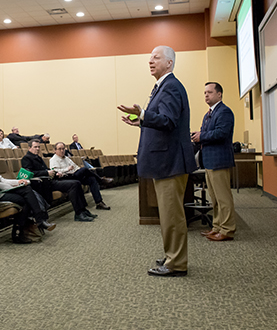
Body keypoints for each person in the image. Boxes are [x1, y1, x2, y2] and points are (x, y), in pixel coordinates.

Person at [118, 45, 196, 277]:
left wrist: (143, 114)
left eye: (156, 58)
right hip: (167, 161)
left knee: (172, 215)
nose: (150, 61)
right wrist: (141, 121)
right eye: (149, 58)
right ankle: (173, 255)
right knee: (168, 213)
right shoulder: (163, 86)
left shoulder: (170, 86)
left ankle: (176, 263)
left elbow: (168, 120)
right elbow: (161, 120)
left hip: (170, 161)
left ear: (169, 63)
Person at [0, 140, 56, 242]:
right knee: (25, 194)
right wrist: (11, 187)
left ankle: (22, 231)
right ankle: (35, 223)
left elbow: (1, 180)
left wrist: (18, 182)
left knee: (26, 194)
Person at [191, 82, 237, 242]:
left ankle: (228, 229)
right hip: (209, 161)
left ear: (219, 94)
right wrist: (197, 135)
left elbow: (222, 133)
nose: (206, 95)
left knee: (223, 198)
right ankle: (217, 226)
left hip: (219, 160)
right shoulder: (208, 114)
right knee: (215, 198)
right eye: (204, 92)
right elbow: (207, 133)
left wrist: (201, 136)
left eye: (209, 92)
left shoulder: (224, 112)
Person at [22, 140, 96, 222]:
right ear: (29, 148)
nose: (38, 149)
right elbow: (29, 173)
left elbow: (48, 170)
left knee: (77, 182)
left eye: (38, 147)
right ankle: (78, 213)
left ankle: (83, 210)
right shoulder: (26, 159)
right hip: (43, 184)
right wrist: (46, 172)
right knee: (74, 184)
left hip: (50, 181)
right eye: (35, 147)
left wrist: (56, 173)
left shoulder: (38, 157)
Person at [49, 142, 112, 210]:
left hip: (74, 175)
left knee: (92, 179)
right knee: (84, 169)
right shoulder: (53, 160)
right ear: (55, 150)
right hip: (65, 178)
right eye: (59, 149)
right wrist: (67, 169)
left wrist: (79, 171)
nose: (62, 151)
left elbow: (75, 167)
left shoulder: (66, 158)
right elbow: (55, 172)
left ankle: (99, 202)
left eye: (63, 149)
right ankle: (100, 180)